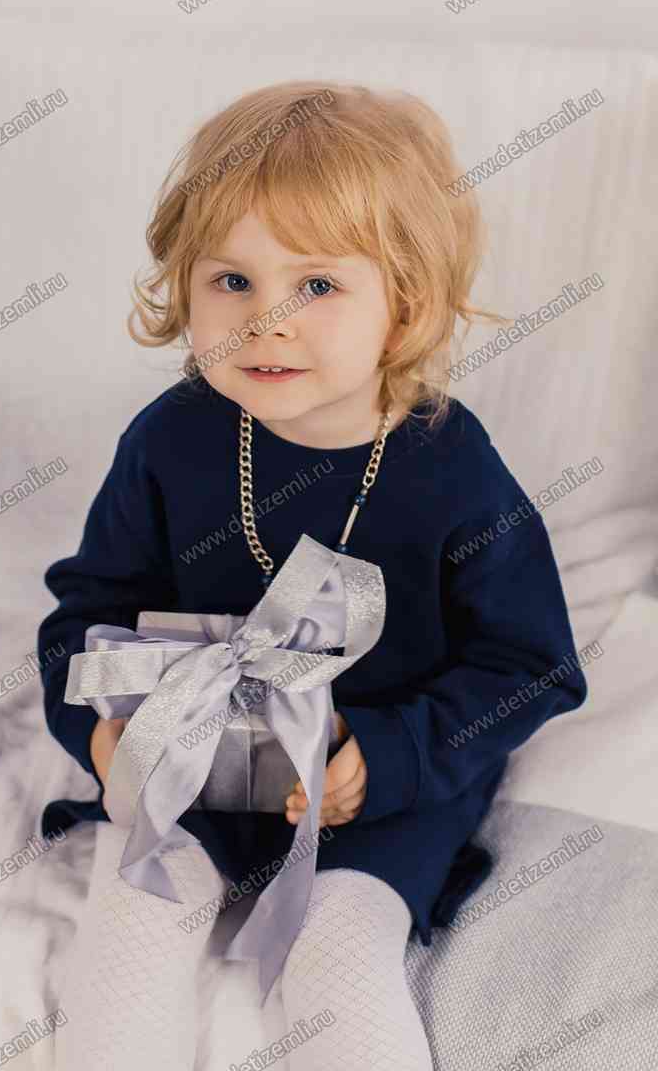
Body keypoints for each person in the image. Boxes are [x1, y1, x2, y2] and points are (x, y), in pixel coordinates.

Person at [37, 80, 588, 1069]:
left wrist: (386, 759)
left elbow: (531, 665)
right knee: (131, 927)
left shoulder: (451, 467)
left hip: (376, 790)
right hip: (190, 765)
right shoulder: (171, 439)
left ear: (404, 304)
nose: (266, 322)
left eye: (318, 286)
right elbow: (88, 614)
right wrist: (104, 738)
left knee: (339, 957)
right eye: (231, 280)